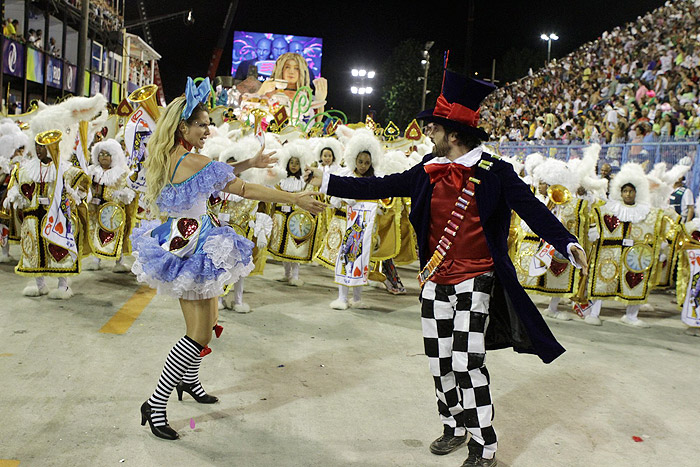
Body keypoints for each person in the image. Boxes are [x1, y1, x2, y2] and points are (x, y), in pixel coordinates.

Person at [307, 70, 587, 467]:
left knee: (466, 360)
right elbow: (380, 186)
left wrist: (567, 242)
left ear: (453, 133)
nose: (429, 135)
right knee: (439, 359)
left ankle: (484, 444)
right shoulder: (427, 169)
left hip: (477, 278)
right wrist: (328, 180)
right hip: (434, 279)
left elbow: (532, 209)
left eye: (434, 128)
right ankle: (453, 425)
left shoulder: (496, 172)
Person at [132, 77, 325, 441]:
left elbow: (215, 175)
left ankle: (189, 382)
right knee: (199, 333)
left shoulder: (178, 157)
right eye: (202, 124)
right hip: (191, 246)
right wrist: (294, 198)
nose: (209, 129)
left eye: (209, 123)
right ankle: (155, 405)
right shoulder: (191, 160)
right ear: (183, 127)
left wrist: (248, 161)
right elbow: (245, 189)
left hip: (188, 237)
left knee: (212, 318)